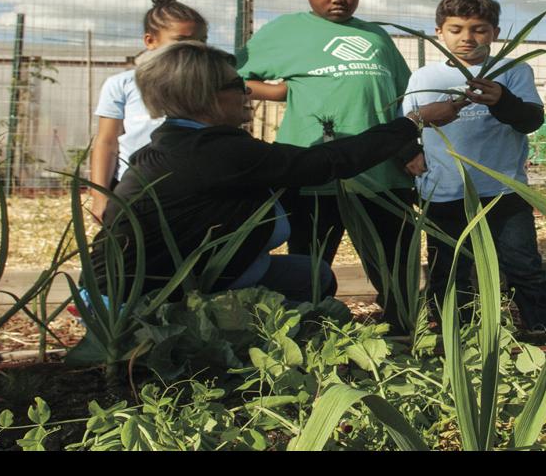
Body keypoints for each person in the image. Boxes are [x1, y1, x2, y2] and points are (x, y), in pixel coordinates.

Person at [96, 41, 462, 302]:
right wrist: (412, 121)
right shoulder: (215, 152)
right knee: (312, 285)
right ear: (205, 96)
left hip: (143, 282)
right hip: (157, 295)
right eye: (237, 85)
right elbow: (324, 164)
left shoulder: (174, 143)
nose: (247, 93)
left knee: (310, 274)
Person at [234, 0, 421, 326]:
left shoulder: (376, 38)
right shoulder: (285, 32)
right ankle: (314, 330)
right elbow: (234, 79)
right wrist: (284, 91)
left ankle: (404, 331)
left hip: (382, 173)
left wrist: (409, 148)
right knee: (311, 264)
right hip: (313, 172)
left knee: (395, 258)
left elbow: (402, 97)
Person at [403, 0, 546, 332]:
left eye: (479, 29)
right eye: (456, 29)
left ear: (495, 34)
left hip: (502, 191)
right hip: (444, 191)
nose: (467, 38)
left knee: (523, 267)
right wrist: (409, 153)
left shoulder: (512, 72)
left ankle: (543, 334)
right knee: (448, 270)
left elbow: (529, 120)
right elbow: (408, 126)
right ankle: (454, 339)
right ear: (438, 32)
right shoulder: (425, 77)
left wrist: (501, 100)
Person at [89, 0, 207, 224]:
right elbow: (106, 141)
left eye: (201, 41)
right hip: (134, 188)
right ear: (150, 41)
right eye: (181, 41)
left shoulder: (209, 85)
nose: (193, 48)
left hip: (191, 187)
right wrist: (99, 195)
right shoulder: (121, 84)